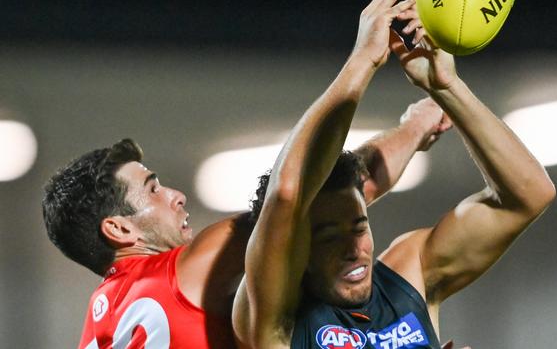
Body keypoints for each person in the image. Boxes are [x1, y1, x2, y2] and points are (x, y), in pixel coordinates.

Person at [231, 0, 556, 348]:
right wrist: (362, 61)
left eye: (359, 227)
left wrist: (446, 87)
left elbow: (529, 195)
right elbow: (288, 194)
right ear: (294, 254)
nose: (354, 249)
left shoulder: (409, 274)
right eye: (328, 237)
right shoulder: (276, 320)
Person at [42, 69, 451, 347]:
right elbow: (319, 197)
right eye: (152, 190)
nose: (176, 196)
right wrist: (417, 123)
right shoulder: (189, 269)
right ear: (119, 230)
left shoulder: (100, 325)